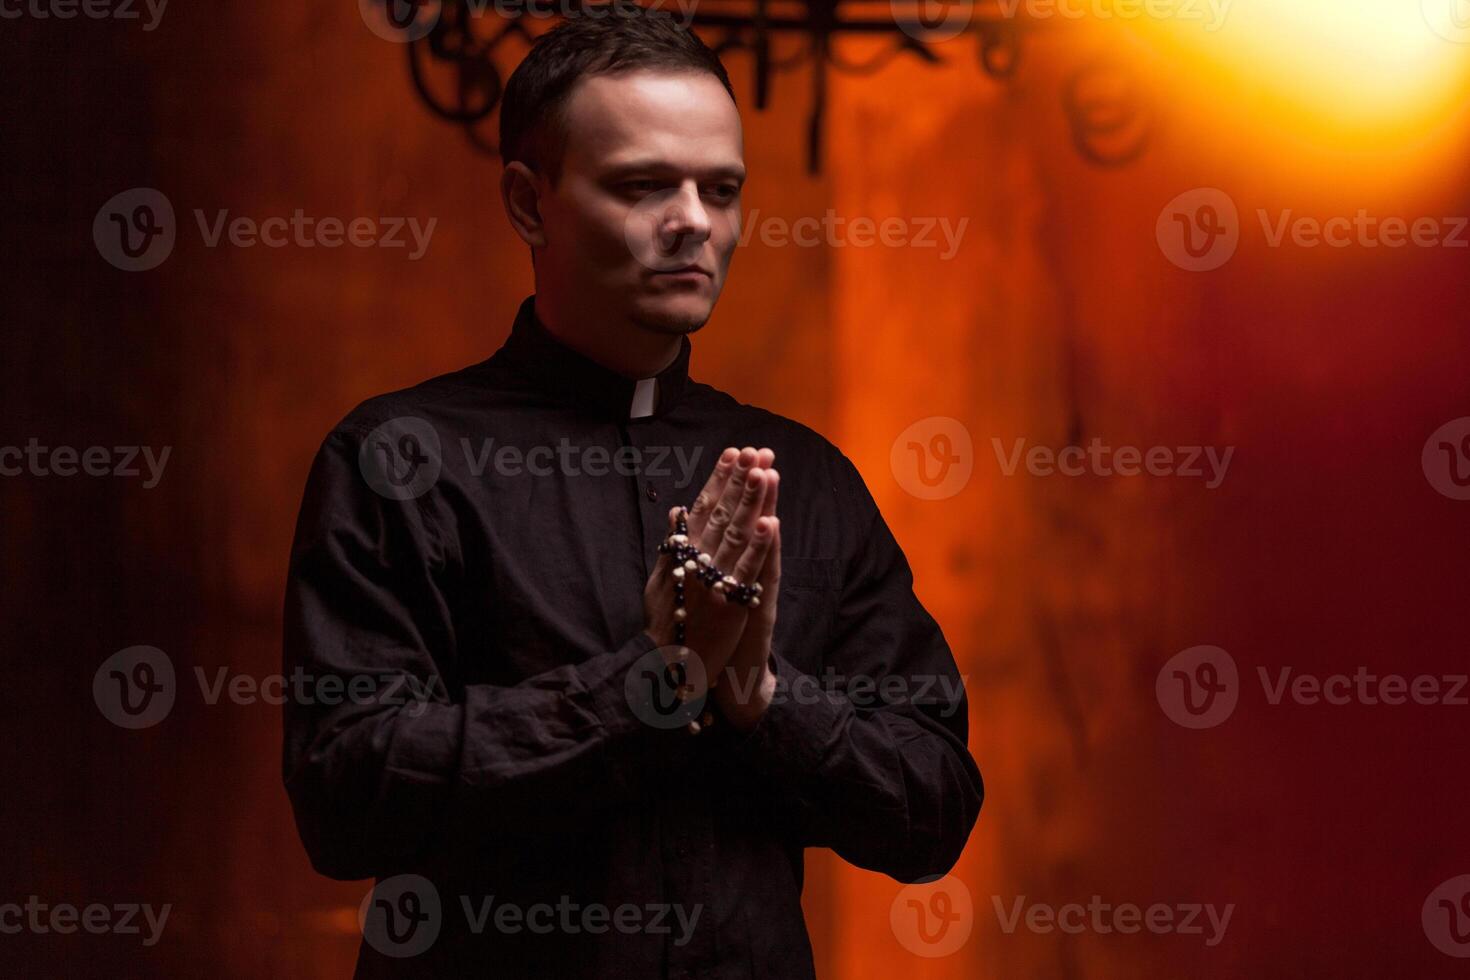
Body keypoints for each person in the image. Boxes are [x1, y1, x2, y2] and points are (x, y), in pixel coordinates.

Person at [282, 6, 982, 976]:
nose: (695, 219)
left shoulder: (805, 478)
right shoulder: (401, 459)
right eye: (644, 184)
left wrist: (759, 693)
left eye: (722, 187)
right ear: (530, 203)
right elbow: (346, 795)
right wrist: (649, 678)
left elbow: (934, 805)